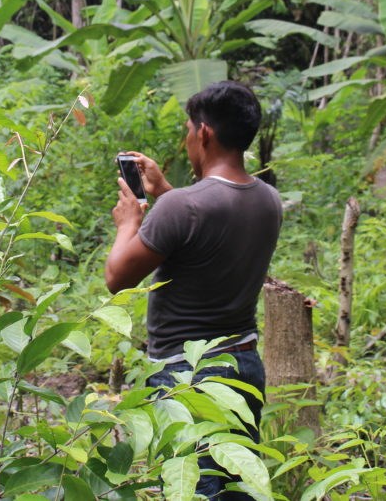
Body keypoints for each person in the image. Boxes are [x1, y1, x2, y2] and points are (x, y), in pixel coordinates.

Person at [105, 80, 282, 499]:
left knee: (194, 487)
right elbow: (207, 229)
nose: (187, 138)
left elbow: (118, 278)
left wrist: (129, 220)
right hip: (243, 365)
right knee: (236, 485)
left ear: (203, 132)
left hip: (187, 375)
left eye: (188, 129)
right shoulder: (268, 200)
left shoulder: (182, 207)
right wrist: (165, 191)